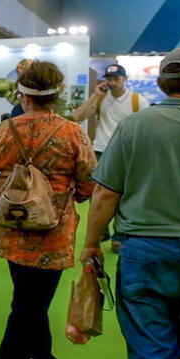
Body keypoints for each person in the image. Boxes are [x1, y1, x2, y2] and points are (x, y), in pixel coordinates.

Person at [0, 60, 96, 359]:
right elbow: (88, 184)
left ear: (22, 95)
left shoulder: (2, 131)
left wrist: (11, 199)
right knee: (29, 303)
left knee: (29, 300)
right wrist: (60, 199)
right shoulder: (72, 133)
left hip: (11, 232)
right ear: (57, 95)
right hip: (53, 235)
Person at [78, 48, 180, 359]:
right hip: (151, 251)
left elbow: (106, 194)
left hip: (145, 252)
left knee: (151, 354)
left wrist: (91, 244)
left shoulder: (137, 125)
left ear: (161, 83)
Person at [73, 62, 149, 251]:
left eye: (116, 78)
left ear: (124, 79)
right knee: (97, 193)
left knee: (124, 194)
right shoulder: (100, 99)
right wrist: (95, 95)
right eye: (109, 79)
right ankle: (102, 230)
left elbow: (146, 126)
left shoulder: (137, 100)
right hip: (100, 150)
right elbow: (78, 117)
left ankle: (119, 235)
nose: (112, 82)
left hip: (127, 152)